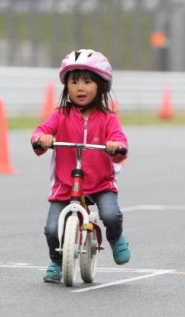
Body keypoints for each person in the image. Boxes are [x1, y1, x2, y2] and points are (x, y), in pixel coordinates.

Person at [31, 49, 130, 283]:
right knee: (52, 229)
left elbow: (121, 141)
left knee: (111, 214)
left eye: (87, 81)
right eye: (74, 82)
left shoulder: (108, 118)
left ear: (101, 86)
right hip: (66, 184)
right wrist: (41, 139)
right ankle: (56, 261)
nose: (80, 87)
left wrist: (116, 146)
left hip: (99, 182)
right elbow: (41, 131)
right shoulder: (60, 115)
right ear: (66, 86)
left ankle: (116, 238)